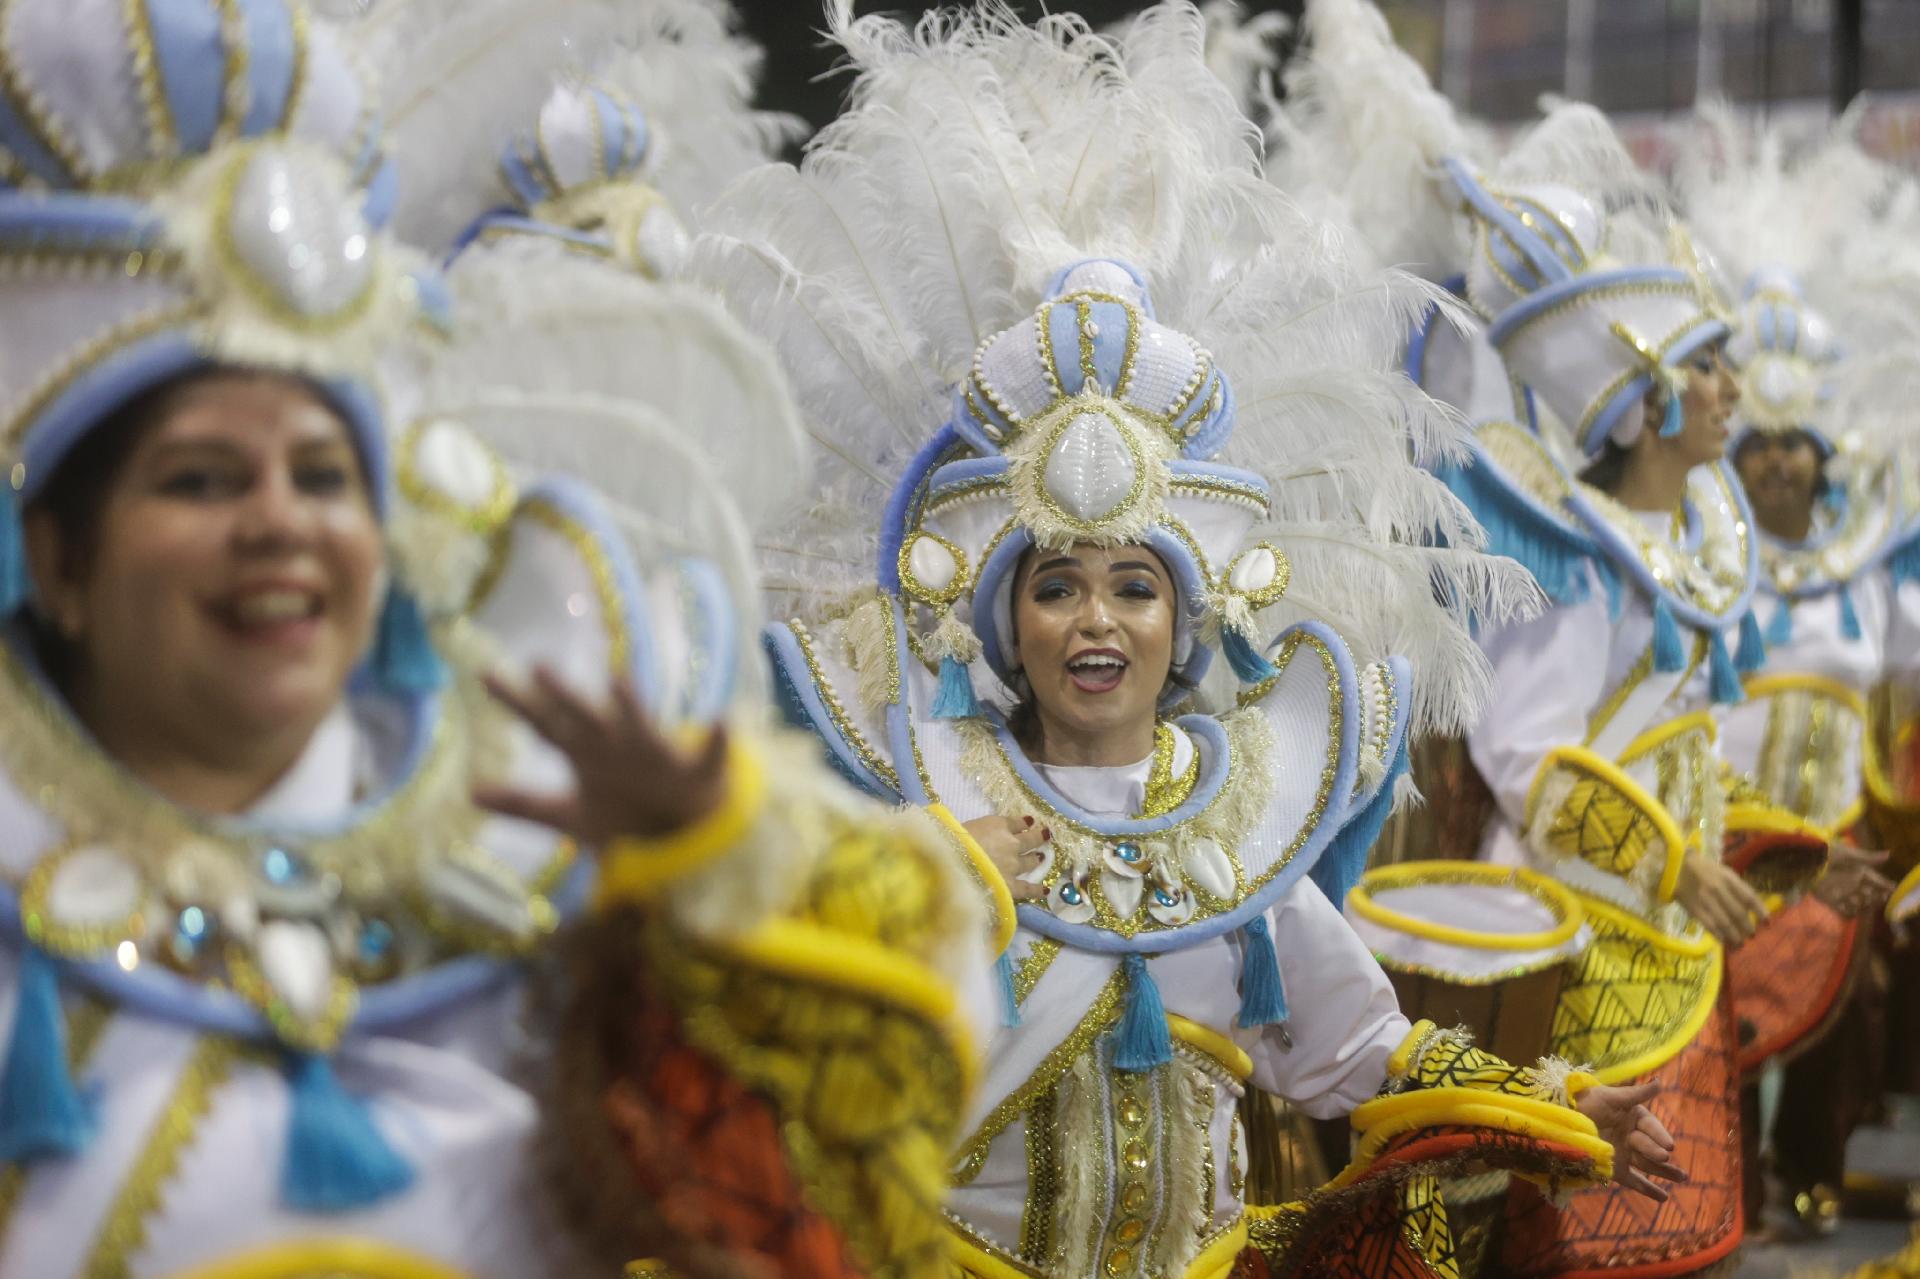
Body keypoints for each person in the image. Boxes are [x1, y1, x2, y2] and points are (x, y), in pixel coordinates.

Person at [700, 7, 1687, 1276]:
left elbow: (1362, 1051)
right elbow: (785, 1052)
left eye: (1134, 587)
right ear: (1005, 619)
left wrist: (1553, 1094)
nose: (1097, 620)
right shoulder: (916, 812)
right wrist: (946, 889)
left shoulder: (1242, 820)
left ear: (1187, 619)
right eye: (1056, 586)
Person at [0, 1, 984, 1275]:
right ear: (59, 559)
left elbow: (855, 1215)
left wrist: (714, 877)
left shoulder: (539, 860)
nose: (281, 526)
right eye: (199, 480)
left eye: (324, 475)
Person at [1675, 108, 1920, 1237]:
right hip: (1728, 833)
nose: (1774, 459)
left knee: (1844, 1008)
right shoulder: (1698, 556)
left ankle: (1805, 1177)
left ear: (1825, 456)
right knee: (1715, 1010)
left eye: (1794, 444)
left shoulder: (1877, 571)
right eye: (1757, 441)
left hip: (1840, 837)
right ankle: (1724, 1192)